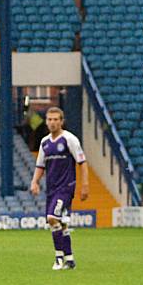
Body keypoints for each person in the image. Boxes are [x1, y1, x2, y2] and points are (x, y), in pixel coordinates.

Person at [30, 107, 89, 270]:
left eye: (56, 119)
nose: (52, 122)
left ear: (61, 121)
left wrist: (85, 185)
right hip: (51, 188)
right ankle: (70, 259)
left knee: (51, 218)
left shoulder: (69, 139)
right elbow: (40, 165)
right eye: (49, 119)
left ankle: (58, 258)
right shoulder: (44, 142)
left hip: (66, 187)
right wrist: (34, 182)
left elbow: (82, 163)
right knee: (61, 223)